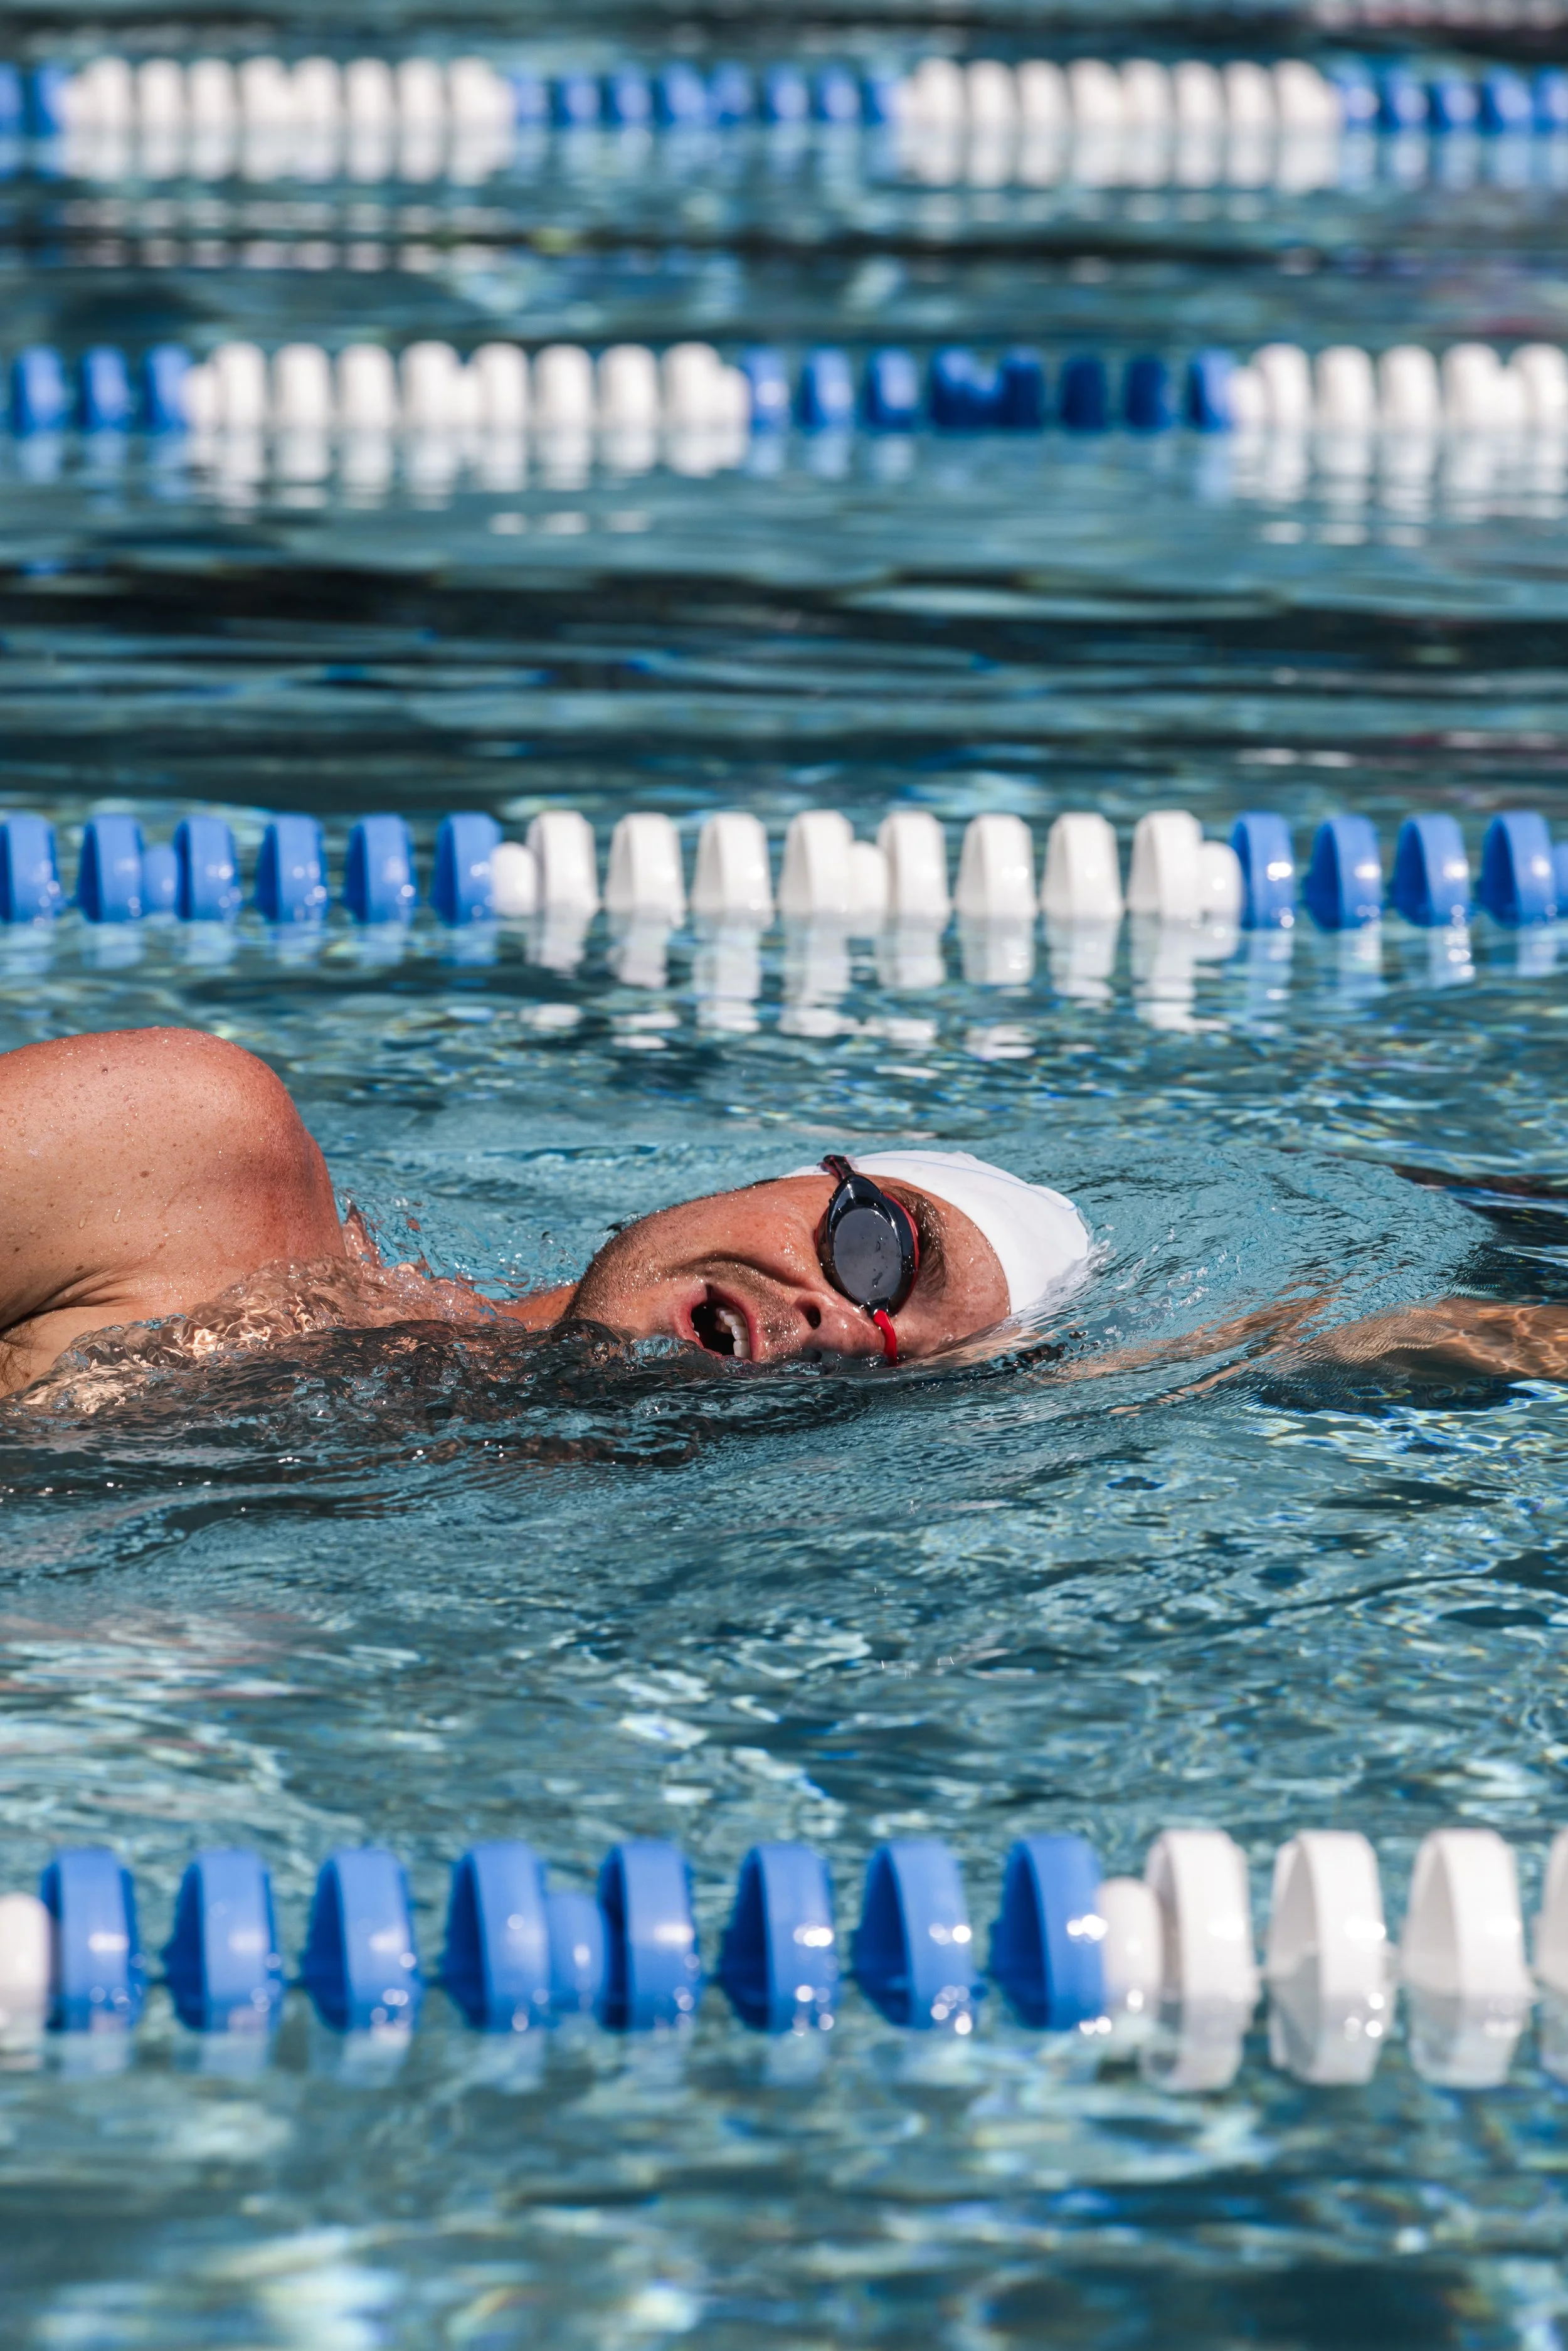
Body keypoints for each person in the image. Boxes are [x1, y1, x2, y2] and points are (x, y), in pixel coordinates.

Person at [1, 1025, 1564, 1401]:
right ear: (798, 1172)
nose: (839, 1316)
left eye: (882, 1350)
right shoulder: (194, 1162)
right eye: (876, 1247)